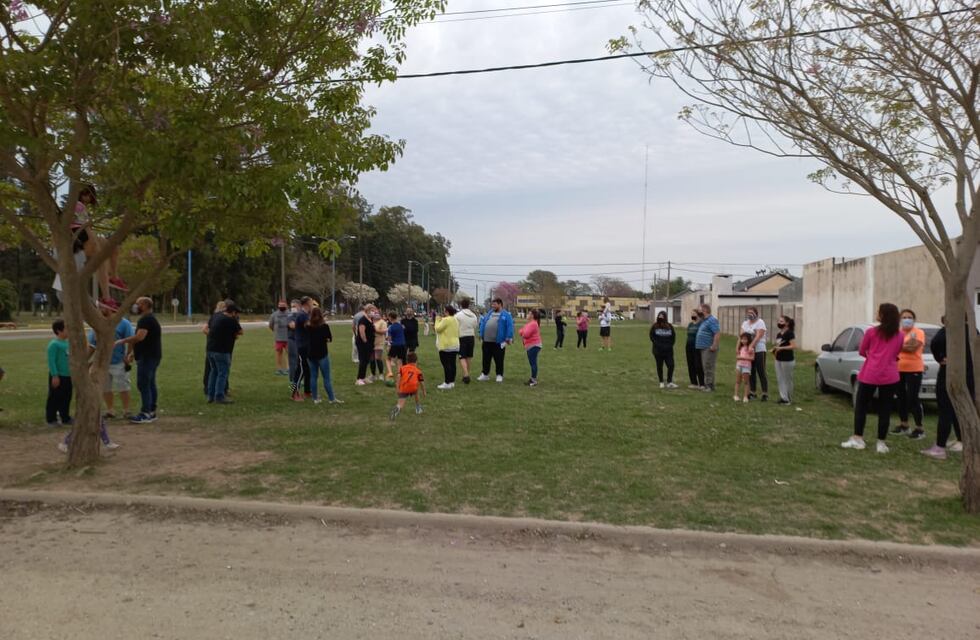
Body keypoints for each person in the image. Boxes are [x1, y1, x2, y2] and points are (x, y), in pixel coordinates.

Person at [842, 303, 903, 453]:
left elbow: (863, 350)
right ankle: (881, 443)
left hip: (870, 374)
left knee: (861, 407)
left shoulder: (871, 332)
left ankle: (858, 438)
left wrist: (874, 357)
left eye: (879, 311)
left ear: (883, 315)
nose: (877, 313)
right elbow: (897, 352)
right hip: (890, 375)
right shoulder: (900, 335)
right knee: (885, 409)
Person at [922, 316, 974, 460]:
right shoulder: (973, 331)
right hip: (969, 377)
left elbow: (935, 343)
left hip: (949, 375)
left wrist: (940, 358)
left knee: (946, 411)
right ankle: (964, 441)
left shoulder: (947, 332)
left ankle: (939, 447)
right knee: (962, 410)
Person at [117, 297, 162, 424]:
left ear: (146, 305)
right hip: (151, 355)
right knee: (150, 383)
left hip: (148, 357)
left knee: (144, 384)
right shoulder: (149, 318)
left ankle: (145, 412)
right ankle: (152, 411)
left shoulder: (146, 319)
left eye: (138, 304)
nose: (135, 306)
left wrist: (122, 341)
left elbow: (140, 337)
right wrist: (133, 353)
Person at [88, 301, 134, 419]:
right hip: (103, 363)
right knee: (105, 388)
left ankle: (126, 410)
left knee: (123, 386)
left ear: (109, 308)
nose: (98, 309)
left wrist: (128, 355)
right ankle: (110, 410)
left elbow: (131, 340)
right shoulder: (98, 323)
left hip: (119, 361)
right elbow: (93, 345)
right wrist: (86, 360)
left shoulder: (124, 323)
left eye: (101, 307)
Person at [893, 309, 926, 439]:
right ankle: (904, 425)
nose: (907, 319)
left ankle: (919, 428)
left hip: (914, 369)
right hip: (898, 368)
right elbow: (895, 347)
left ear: (914, 319)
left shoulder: (918, 332)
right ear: (900, 320)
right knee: (901, 397)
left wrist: (898, 345)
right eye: (904, 317)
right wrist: (903, 345)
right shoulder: (898, 333)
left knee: (913, 398)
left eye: (910, 317)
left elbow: (912, 348)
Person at [205, 300, 243, 405]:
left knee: (213, 372)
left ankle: (210, 395)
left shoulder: (215, 316)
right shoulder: (231, 320)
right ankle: (219, 396)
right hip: (222, 351)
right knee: (222, 373)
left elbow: (208, 328)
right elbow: (240, 332)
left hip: (210, 349)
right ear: (233, 312)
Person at [307, 307, 342, 405]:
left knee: (313, 376)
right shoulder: (324, 326)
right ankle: (331, 398)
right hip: (322, 353)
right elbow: (329, 339)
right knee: (326, 377)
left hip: (311, 354)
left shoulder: (308, 327)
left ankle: (315, 398)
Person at [478, 297, 514, 383]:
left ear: (500, 304)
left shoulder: (506, 315)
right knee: (486, 358)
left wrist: (508, 337)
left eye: (494, 304)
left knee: (499, 359)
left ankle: (499, 375)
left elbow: (510, 327)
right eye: (492, 304)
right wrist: (481, 334)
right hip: (486, 341)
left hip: (498, 342)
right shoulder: (489, 313)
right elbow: (483, 323)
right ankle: (485, 374)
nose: (492, 306)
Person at [46, 319, 73, 427]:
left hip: (68, 375)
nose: (68, 331)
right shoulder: (54, 344)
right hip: (58, 376)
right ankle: (51, 419)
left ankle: (65, 417)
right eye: (66, 328)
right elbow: (51, 361)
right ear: (59, 330)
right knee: (54, 398)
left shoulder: (67, 343)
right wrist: (55, 375)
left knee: (66, 397)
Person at [741, 307, 769, 401]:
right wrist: (741, 348)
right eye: (748, 312)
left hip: (759, 350)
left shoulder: (760, 322)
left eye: (752, 312)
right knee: (751, 371)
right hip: (748, 351)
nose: (750, 314)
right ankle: (753, 392)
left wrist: (751, 346)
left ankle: (765, 393)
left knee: (761, 370)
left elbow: (758, 336)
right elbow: (742, 335)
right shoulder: (745, 323)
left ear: (756, 313)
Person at [389, 352, 425, 420]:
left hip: (404, 388)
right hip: (413, 387)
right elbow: (421, 382)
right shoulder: (418, 371)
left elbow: (398, 378)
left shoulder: (402, 368)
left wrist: (397, 388)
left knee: (401, 403)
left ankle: (397, 408)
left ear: (407, 361)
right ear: (416, 361)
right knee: (416, 391)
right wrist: (424, 391)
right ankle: (418, 408)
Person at [289, 297, 313, 400]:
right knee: (301, 370)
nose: (312, 305)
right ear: (307, 304)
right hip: (302, 346)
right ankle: (294, 393)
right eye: (311, 303)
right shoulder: (302, 315)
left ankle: (307, 392)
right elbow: (310, 326)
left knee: (308, 370)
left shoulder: (306, 315)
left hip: (306, 345)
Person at [695, 304, 721, 392]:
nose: (698, 312)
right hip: (703, 347)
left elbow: (717, 333)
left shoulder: (712, 320)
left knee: (708, 366)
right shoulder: (704, 320)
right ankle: (709, 385)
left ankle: (709, 386)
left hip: (708, 347)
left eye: (700, 310)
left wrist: (714, 345)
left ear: (705, 310)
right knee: (705, 366)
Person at [772, 315, 797, 405]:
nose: (779, 323)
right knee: (780, 379)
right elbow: (778, 345)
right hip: (778, 359)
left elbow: (793, 346)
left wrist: (782, 348)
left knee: (787, 379)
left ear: (787, 323)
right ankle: (783, 398)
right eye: (779, 321)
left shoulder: (790, 333)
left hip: (787, 360)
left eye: (782, 321)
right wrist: (774, 351)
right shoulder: (779, 334)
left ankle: (789, 398)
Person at [649, 311, 677, 389]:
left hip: (668, 351)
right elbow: (651, 336)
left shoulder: (670, 326)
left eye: (662, 316)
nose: (660, 318)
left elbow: (673, 338)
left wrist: (669, 345)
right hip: (658, 351)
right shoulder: (654, 326)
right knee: (659, 366)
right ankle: (661, 382)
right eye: (659, 316)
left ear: (665, 317)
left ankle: (669, 382)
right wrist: (658, 345)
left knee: (671, 365)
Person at [435, 305, 460, 390]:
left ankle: (447, 382)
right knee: (452, 364)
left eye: (444, 311)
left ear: (447, 312)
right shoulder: (455, 319)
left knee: (446, 364)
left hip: (446, 345)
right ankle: (452, 382)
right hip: (455, 344)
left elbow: (438, 329)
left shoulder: (446, 319)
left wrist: (437, 320)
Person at [455, 299, 479, 383]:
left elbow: (455, 326)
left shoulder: (458, 315)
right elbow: (475, 325)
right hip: (471, 336)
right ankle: (467, 374)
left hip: (461, 336)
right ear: (468, 305)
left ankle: (466, 374)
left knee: (462, 356)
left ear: (461, 305)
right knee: (469, 356)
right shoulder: (473, 315)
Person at [519, 309, 543, 386]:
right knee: (532, 363)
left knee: (533, 363)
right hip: (531, 346)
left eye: (529, 313)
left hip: (534, 345)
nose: (527, 315)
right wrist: (522, 331)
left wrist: (522, 332)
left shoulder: (533, 324)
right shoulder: (530, 323)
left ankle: (534, 380)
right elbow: (521, 331)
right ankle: (532, 378)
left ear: (532, 315)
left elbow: (525, 334)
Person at [354, 304, 377, 385]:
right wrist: (365, 342)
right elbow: (362, 333)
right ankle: (359, 379)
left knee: (367, 361)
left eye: (374, 311)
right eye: (372, 311)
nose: (373, 312)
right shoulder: (363, 320)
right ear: (367, 311)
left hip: (370, 343)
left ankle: (363, 377)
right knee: (363, 360)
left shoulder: (371, 319)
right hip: (363, 343)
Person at [268, 300, 290, 375]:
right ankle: (279, 369)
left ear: (286, 306)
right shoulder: (274, 315)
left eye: (283, 305)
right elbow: (271, 325)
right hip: (278, 338)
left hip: (288, 337)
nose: (281, 307)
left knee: (289, 353)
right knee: (279, 354)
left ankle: (288, 368)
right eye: (280, 305)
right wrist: (276, 332)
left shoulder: (290, 314)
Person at [686, 309, 705, 389]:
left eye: (694, 314)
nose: (693, 315)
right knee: (690, 364)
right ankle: (694, 382)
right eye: (692, 314)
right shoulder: (690, 324)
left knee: (698, 364)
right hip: (688, 346)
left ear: (698, 315)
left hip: (697, 346)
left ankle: (702, 383)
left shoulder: (701, 324)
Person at [733, 332, 754, 403]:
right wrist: (741, 357)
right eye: (742, 339)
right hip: (739, 365)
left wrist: (745, 358)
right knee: (738, 381)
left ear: (749, 340)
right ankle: (735, 395)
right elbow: (737, 356)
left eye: (745, 339)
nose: (743, 341)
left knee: (746, 382)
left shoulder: (750, 348)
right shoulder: (740, 347)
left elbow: (752, 358)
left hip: (747, 367)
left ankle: (745, 396)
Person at [286, 299, 301, 384]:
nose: (293, 308)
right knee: (293, 362)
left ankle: (298, 380)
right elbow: (292, 326)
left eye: (294, 306)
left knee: (299, 362)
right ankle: (292, 381)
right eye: (292, 306)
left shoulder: (300, 315)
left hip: (299, 341)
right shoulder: (290, 315)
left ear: (299, 306)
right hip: (292, 340)